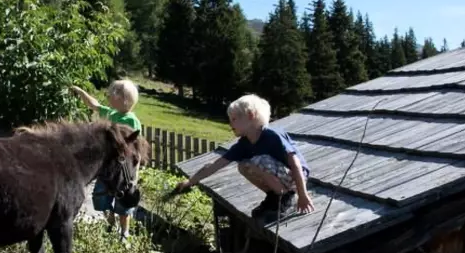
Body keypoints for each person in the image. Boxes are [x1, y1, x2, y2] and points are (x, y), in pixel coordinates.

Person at [175, 94, 314, 222]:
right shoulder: (244, 144)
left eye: (234, 119)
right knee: (243, 165)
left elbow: (295, 163)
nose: (230, 124)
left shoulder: (272, 136)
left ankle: (287, 198)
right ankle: (275, 197)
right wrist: (190, 181)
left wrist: (303, 195)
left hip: (295, 178)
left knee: (258, 161)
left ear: (251, 115)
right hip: (280, 177)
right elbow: (215, 165)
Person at [71, 80, 142, 240]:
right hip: (108, 167)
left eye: (112, 93)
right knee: (101, 198)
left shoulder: (131, 121)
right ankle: (110, 223)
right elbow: (94, 105)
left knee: (123, 203)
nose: (108, 95)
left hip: (122, 171)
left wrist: (134, 174)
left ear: (123, 100)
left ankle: (124, 233)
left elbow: (135, 149)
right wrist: (80, 92)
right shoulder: (111, 113)